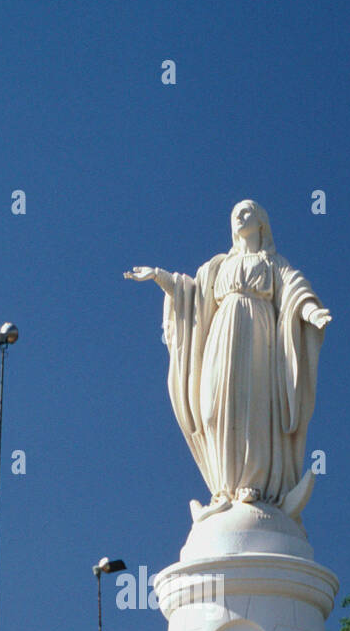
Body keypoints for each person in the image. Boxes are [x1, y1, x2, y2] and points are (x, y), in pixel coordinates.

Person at [125, 200, 331, 522]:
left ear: (261, 222)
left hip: (259, 334)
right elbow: (191, 294)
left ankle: (252, 486)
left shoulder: (272, 262)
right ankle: (223, 487)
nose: (239, 217)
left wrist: (311, 312)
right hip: (222, 334)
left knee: (253, 408)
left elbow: (295, 291)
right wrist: (161, 277)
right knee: (212, 409)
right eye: (235, 214)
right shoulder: (218, 266)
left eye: (247, 212)